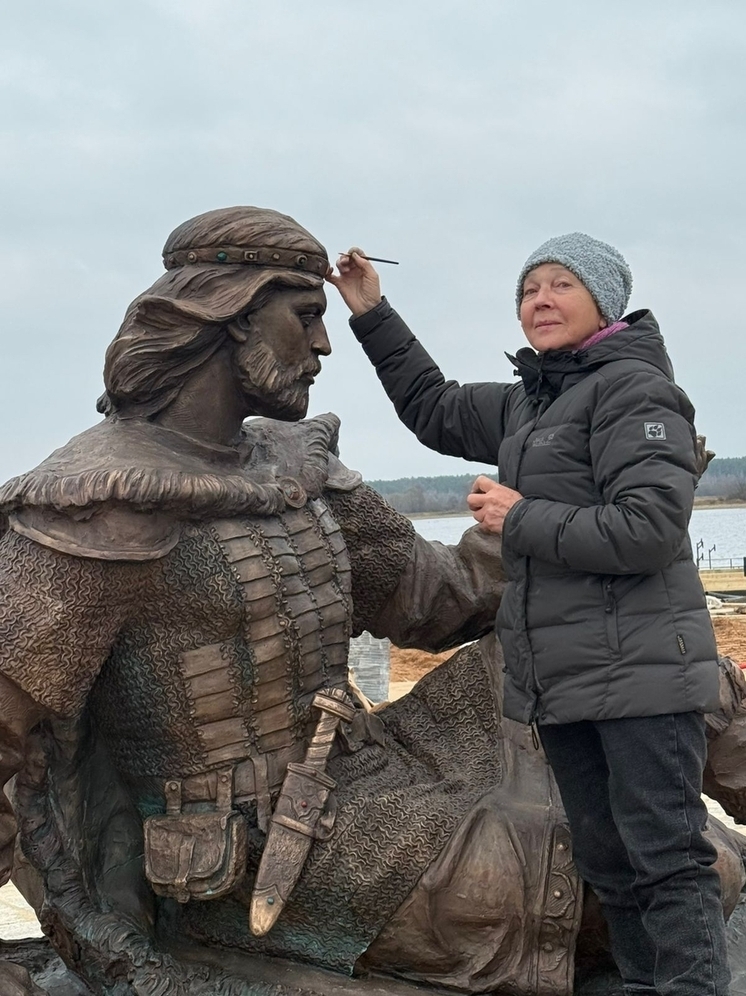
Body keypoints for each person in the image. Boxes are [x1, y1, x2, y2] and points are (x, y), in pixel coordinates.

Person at [329, 233, 732, 996]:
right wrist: (372, 315)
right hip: (565, 680)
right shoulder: (532, 401)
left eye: (559, 286)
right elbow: (434, 408)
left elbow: (649, 529)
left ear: (604, 301)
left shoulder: (636, 391)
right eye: (527, 290)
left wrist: (521, 517)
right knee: (609, 860)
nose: (539, 301)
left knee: (667, 858)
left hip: (642, 675)